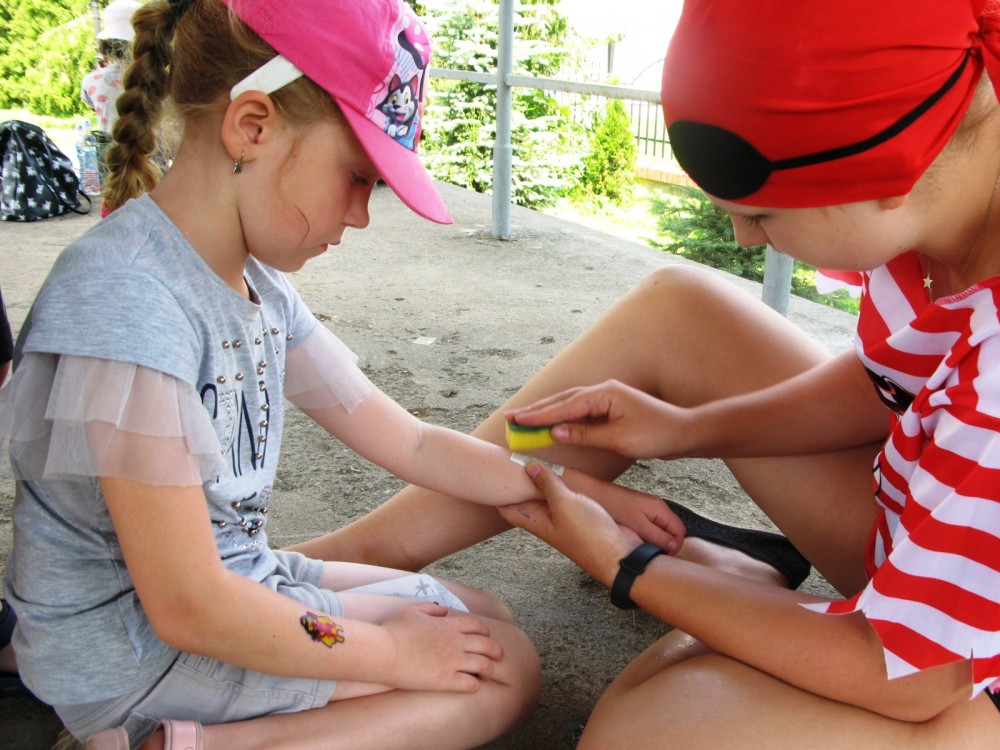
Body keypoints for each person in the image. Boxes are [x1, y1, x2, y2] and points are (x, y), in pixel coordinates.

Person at [0, 0, 713, 745]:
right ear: (252, 127)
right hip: (140, 654)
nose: (362, 215)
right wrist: (393, 653)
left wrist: (581, 492)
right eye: (356, 177)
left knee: (480, 621)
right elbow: (188, 606)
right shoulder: (128, 302)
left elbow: (411, 442)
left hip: (224, 587)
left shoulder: (257, 285)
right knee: (498, 671)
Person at [310, 0, 1000, 746]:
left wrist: (627, 562)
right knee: (678, 310)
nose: (742, 236)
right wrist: (683, 429)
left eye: (763, 216)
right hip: (939, 534)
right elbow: (887, 382)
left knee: (646, 728)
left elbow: (914, 675)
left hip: (958, 672)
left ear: (889, 171)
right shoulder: (936, 207)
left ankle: (725, 578)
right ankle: (347, 559)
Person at [81, 0, 140, 135]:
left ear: (106, 43)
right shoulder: (159, 79)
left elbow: (92, 104)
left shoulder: (92, 80)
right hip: (151, 147)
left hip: (110, 148)